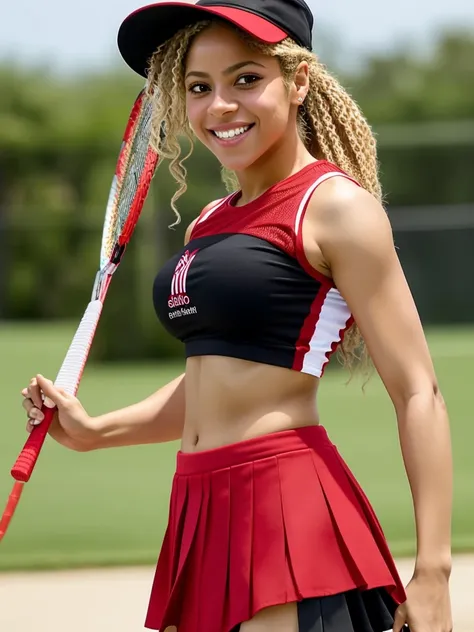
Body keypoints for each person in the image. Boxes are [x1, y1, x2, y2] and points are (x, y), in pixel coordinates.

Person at [22, 1, 453, 631]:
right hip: (197, 506)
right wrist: (96, 431)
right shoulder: (209, 222)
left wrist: (435, 571)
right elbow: (210, 380)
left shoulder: (336, 209)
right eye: (199, 88)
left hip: (283, 503)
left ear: (298, 81)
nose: (220, 105)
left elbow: (419, 390)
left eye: (246, 79)